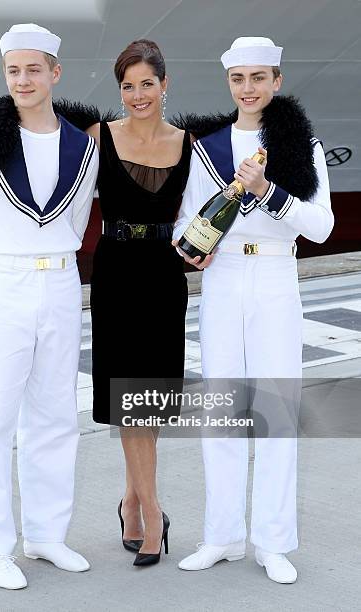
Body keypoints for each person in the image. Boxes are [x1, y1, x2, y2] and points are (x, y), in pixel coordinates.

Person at [173, 37, 333, 583]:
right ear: (229, 83)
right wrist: (190, 246)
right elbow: (185, 219)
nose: (248, 88)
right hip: (222, 278)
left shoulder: (299, 146)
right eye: (239, 79)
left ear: (277, 81)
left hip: (273, 276)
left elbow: (321, 226)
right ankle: (221, 535)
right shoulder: (208, 147)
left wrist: (269, 192)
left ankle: (272, 541)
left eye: (259, 78)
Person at [0, 23, 98, 589]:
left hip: (60, 285)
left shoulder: (84, 145)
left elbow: (80, 220)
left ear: (55, 73)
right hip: (5, 283)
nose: (24, 79)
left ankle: (46, 534)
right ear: (6, 74)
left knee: (56, 414)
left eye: (35, 69)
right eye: (14, 70)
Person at [86, 39, 192, 567]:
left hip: (163, 276)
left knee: (144, 401)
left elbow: (201, 215)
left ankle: (131, 500)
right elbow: (70, 203)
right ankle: (152, 514)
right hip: (116, 275)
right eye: (127, 86)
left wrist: (204, 250)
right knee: (129, 401)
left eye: (146, 83)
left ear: (165, 84)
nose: (136, 95)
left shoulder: (189, 144)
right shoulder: (98, 137)